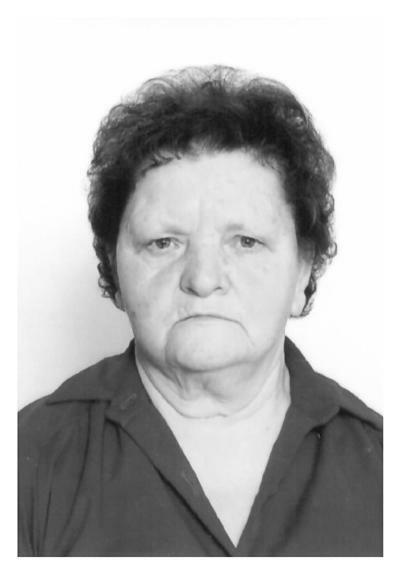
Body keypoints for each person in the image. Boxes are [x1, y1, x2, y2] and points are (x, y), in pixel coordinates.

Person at [18, 65, 382, 557]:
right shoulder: (24, 460)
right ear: (113, 267)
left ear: (303, 271)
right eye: (163, 242)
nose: (203, 278)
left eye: (246, 241)